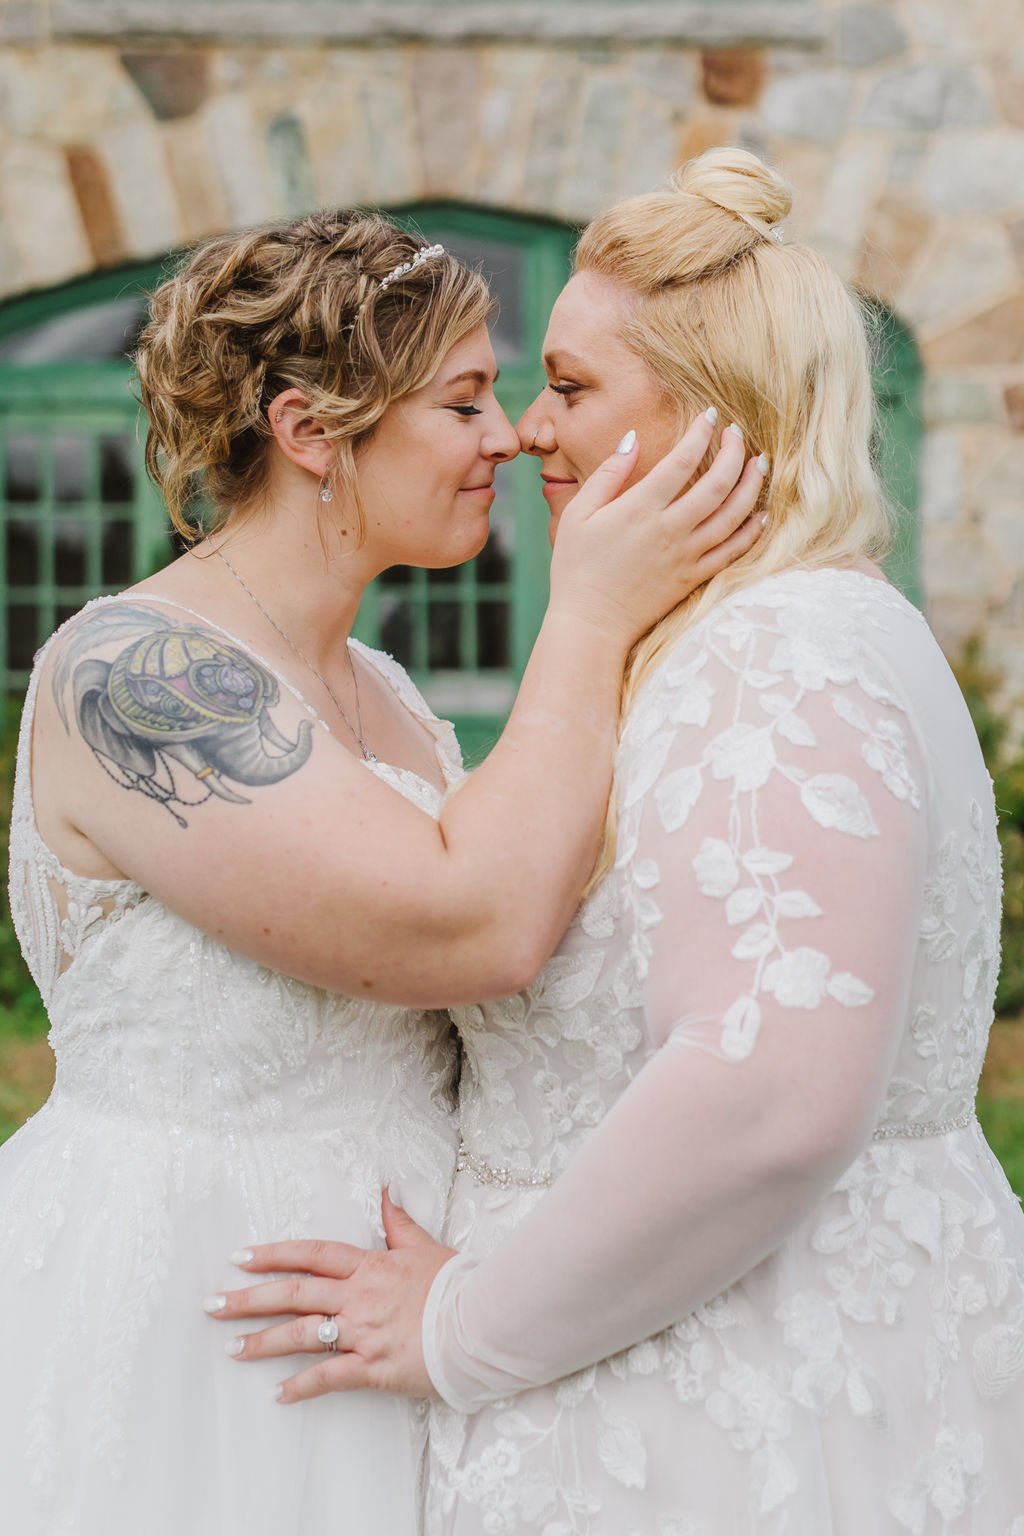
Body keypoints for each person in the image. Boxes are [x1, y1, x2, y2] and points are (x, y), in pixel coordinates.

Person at [211, 152, 1024, 1535]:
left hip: (732, 1411)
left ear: (720, 410)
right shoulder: (766, 633)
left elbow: (773, 1093)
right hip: (684, 1371)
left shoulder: (778, 657)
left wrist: (463, 1326)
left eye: (571, 388)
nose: (529, 430)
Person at [1, 209, 765, 1536]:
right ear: (309, 433)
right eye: (466, 400)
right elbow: (471, 926)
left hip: (392, 1326)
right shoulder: (133, 674)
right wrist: (587, 612)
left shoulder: (393, 698)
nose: (513, 434)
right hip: (202, 1317)